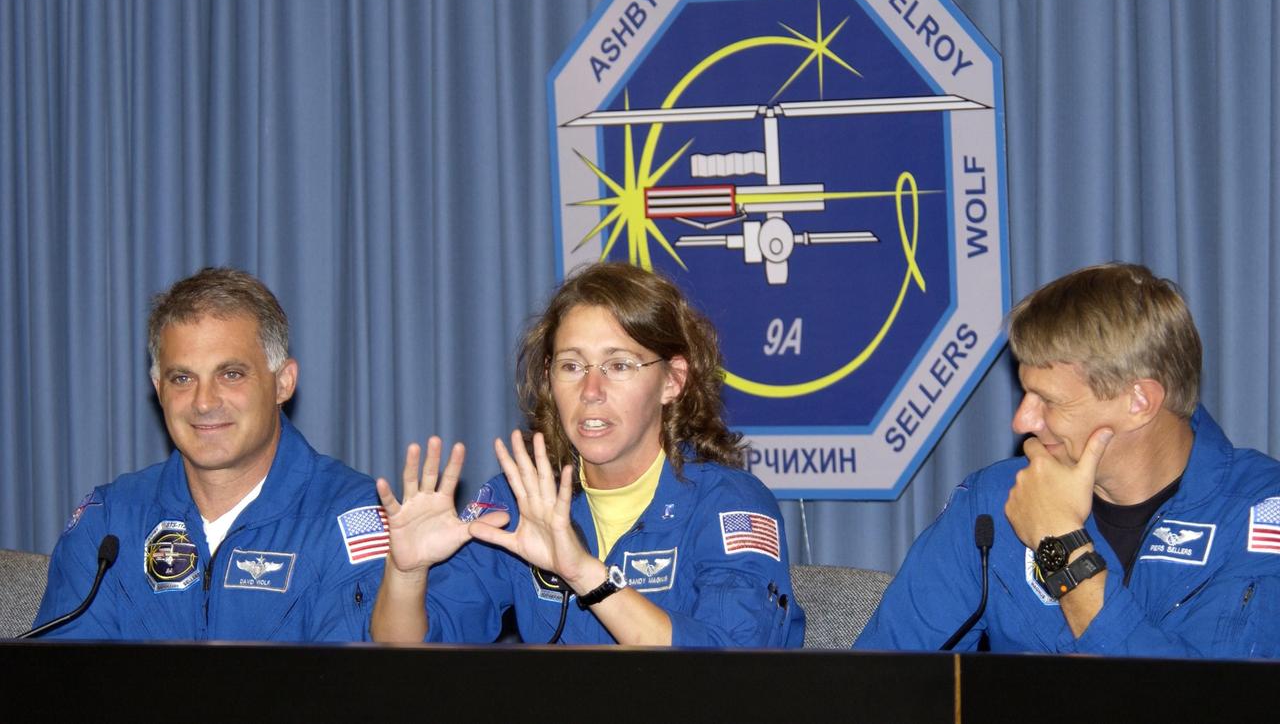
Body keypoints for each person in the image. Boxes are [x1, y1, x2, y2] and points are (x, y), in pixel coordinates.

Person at [855, 263, 1280, 657]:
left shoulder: (1258, 515)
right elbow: (878, 685)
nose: (1022, 421)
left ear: (1139, 401)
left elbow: (1208, 703)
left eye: (1049, 400)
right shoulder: (993, 503)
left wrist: (1061, 545)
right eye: (1025, 393)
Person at [372, 262, 804, 646]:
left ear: (672, 381)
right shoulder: (522, 498)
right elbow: (408, 656)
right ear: (549, 380)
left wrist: (584, 573)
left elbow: (731, 668)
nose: (591, 392)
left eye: (619, 365)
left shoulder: (729, 504)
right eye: (571, 366)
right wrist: (406, 573)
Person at [32, 267, 386, 641]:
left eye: (231, 374)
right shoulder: (110, 523)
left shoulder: (348, 518)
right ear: (158, 388)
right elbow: (64, 688)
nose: (203, 402)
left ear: (283, 382)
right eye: (182, 379)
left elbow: (354, 690)